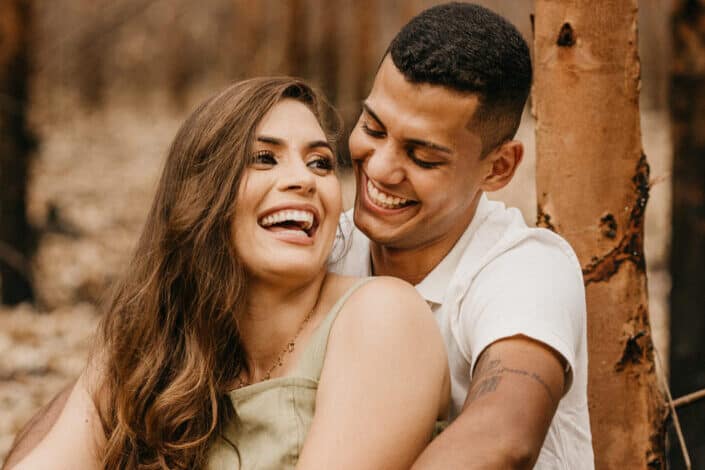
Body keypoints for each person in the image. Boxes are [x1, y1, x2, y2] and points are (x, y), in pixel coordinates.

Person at [5, 77, 449, 469]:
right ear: (202, 194)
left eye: (320, 163)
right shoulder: (147, 341)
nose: (305, 180)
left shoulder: (382, 316)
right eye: (264, 158)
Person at [329, 2, 593, 469]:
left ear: (499, 168)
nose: (381, 167)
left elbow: (503, 439)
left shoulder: (525, 267)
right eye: (373, 128)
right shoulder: (330, 247)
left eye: (423, 157)